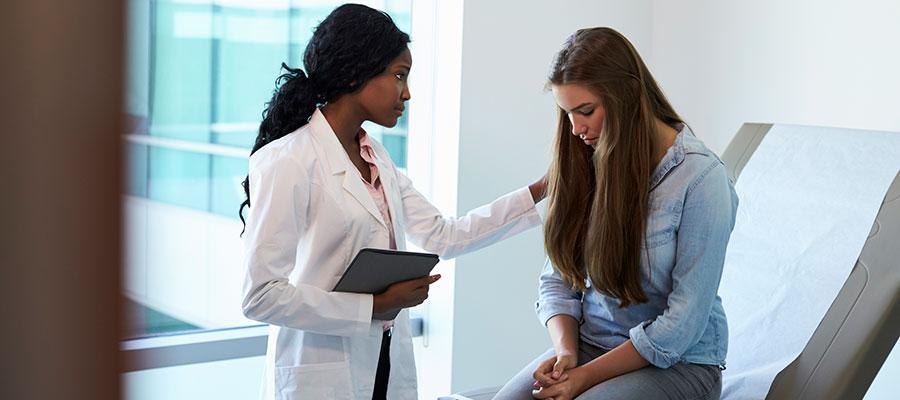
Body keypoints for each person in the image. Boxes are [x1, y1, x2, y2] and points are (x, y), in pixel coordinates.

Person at [238, 4, 546, 400]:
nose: (407, 92)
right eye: (399, 75)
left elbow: (443, 236)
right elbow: (260, 296)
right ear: (355, 72)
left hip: (384, 359)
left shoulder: (376, 157)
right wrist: (374, 306)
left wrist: (542, 189)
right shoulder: (288, 161)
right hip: (322, 373)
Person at [493, 27, 738, 400]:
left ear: (625, 97)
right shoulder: (586, 159)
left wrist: (586, 378)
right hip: (590, 348)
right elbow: (559, 280)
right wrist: (566, 355)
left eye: (586, 111)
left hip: (678, 363)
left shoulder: (701, 179)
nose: (576, 129)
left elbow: (681, 325)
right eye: (567, 113)